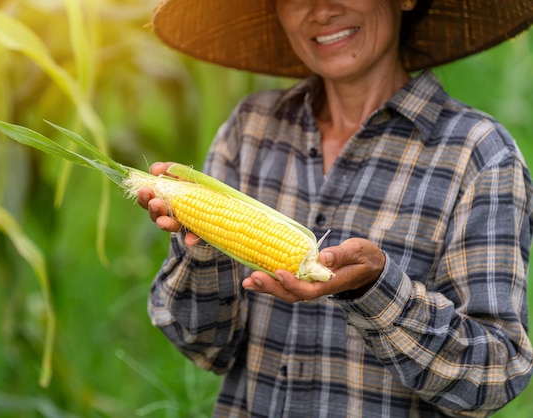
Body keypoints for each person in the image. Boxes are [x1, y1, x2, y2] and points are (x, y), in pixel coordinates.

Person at [137, 0, 533, 416]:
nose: (321, 10)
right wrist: (201, 246)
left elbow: (495, 376)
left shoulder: (480, 155)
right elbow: (203, 347)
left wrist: (377, 289)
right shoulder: (249, 130)